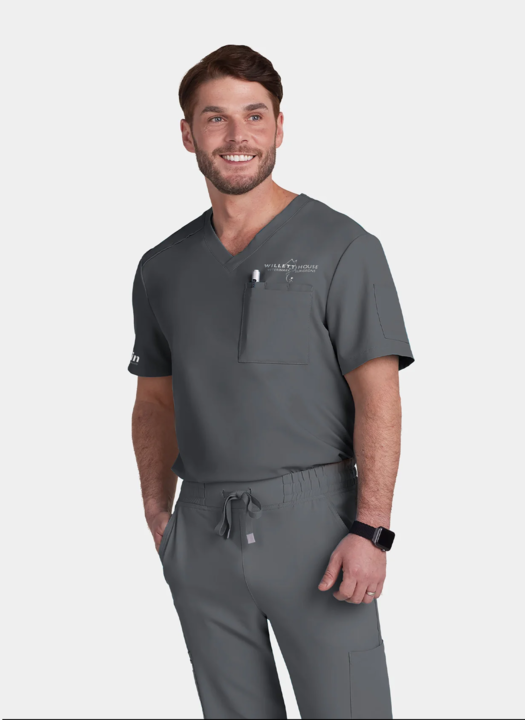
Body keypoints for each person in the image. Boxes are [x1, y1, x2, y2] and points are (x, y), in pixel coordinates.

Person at [128, 44, 415, 720]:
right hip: (201, 526)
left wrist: (372, 530)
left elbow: (378, 396)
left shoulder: (342, 247)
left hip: (318, 528)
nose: (237, 136)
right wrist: (159, 513)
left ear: (279, 128)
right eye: (216, 118)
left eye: (254, 116)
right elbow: (155, 399)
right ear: (188, 134)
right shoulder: (162, 267)